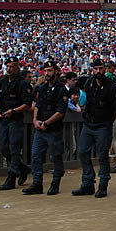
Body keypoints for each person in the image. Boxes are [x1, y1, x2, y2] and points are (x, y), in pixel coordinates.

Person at [72, 58, 116, 198]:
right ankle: (88, 183)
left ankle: (103, 184)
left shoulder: (112, 86)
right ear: (92, 69)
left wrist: (109, 120)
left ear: (105, 69)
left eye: (101, 68)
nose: (98, 71)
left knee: (102, 155)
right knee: (82, 151)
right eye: (96, 69)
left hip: (103, 125)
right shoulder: (89, 83)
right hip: (89, 123)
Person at [23, 61, 69, 196]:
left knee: (56, 157)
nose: (47, 73)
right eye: (45, 70)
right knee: (36, 156)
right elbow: (37, 105)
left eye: (50, 70)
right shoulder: (42, 88)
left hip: (53, 129)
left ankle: (55, 183)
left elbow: (60, 111)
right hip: (40, 127)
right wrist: (35, 120)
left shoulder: (61, 89)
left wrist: (46, 123)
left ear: (55, 71)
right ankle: (37, 183)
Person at [0, 57, 33, 191]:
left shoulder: (22, 84)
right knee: (4, 147)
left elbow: (27, 103)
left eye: (12, 67)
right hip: (4, 118)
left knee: (14, 147)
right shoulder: (3, 81)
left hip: (15, 118)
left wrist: (14, 110)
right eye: (8, 66)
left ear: (17, 68)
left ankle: (12, 176)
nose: (9, 69)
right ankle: (23, 168)